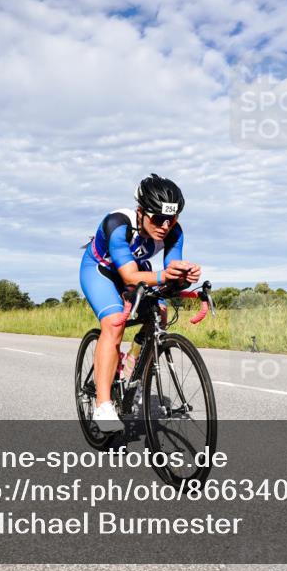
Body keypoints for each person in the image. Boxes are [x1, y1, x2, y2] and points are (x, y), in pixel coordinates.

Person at [80, 174, 201, 431]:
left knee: (161, 312)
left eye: (171, 219)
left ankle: (131, 367)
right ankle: (103, 405)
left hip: (136, 268)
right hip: (100, 270)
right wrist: (164, 276)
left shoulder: (174, 232)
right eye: (158, 219)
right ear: (140, 212)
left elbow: (170, 272)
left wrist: (184, 277)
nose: (165, 226)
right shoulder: (118, 223)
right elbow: (129, 277)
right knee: (114, 323)